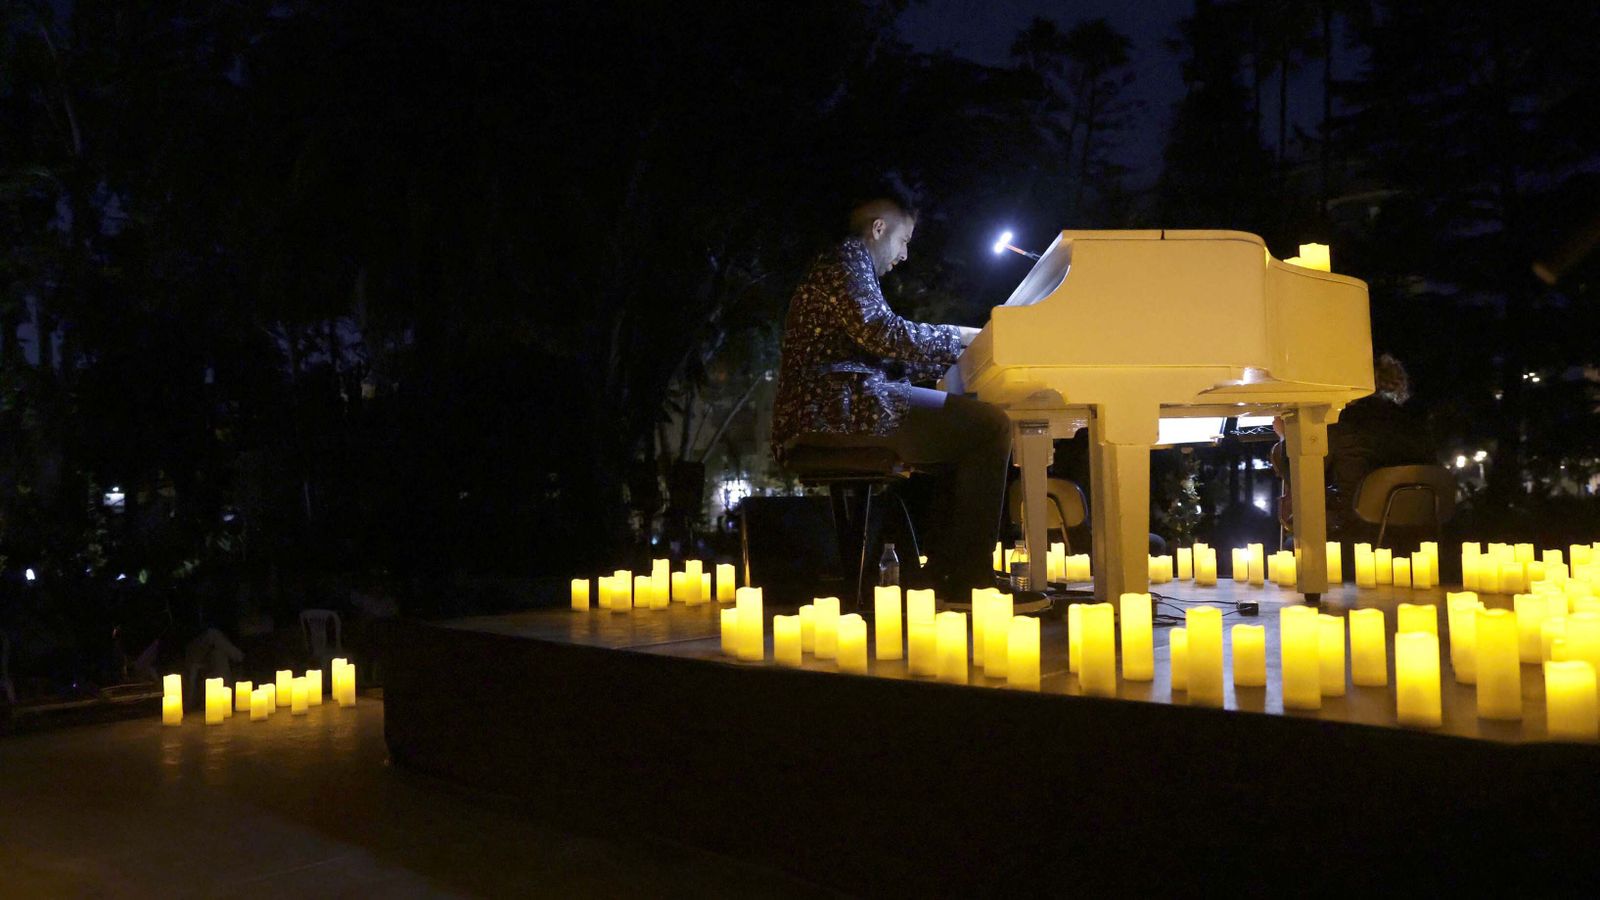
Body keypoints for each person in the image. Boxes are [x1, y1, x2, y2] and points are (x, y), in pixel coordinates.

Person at [770, 194, 1010, 598]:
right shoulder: (846, 259)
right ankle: (968, 578)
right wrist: (960, 337)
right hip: (835, 408)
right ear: (879, 228)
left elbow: (873, 345)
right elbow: (882, 332)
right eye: (904, 240)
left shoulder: (841, 265)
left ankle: (950, 574)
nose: (903, 255)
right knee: (990, 427)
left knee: (966, 433)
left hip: (839, 405)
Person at [1273, 353, 1437, 542]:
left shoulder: (1342, 422)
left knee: (1292, 543)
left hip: (1357, 534)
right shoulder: (1416, 423)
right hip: (1420, 533)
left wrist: (1286, 435)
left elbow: (1301, 475)